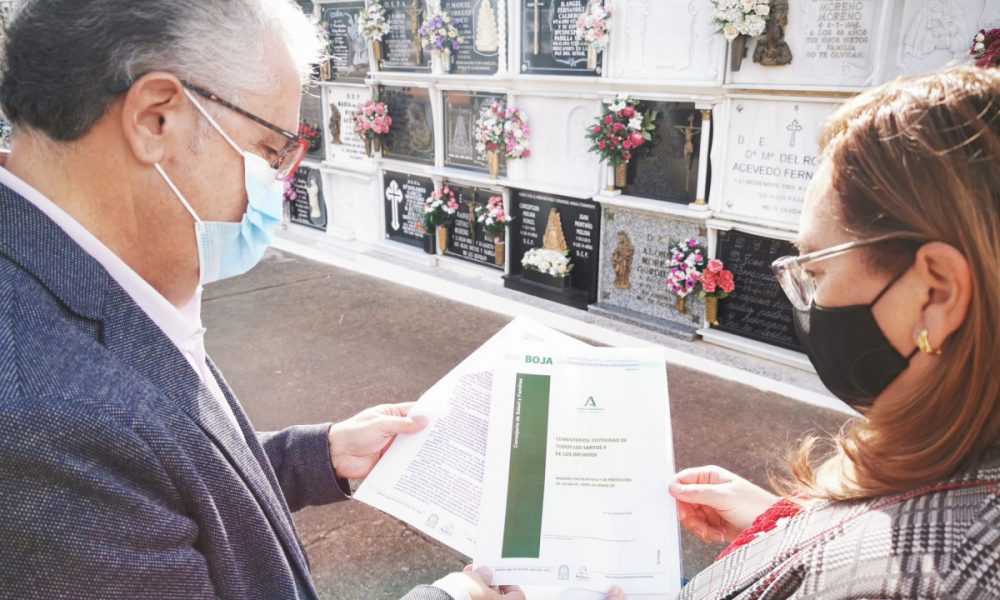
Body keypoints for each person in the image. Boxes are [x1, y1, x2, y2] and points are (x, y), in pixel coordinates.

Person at [0, 2, 543, 599]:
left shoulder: (78, 277)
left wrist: (316, 457)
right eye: (268, 148)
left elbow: (170, 475)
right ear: (156, 120)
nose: (278, 186)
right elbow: (130, 452)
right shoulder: (45, 420)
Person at [669, 66, 999, 598]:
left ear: (936, 294)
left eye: (816, 271)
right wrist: (784, 526)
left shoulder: (911, 579)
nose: (809, 301)